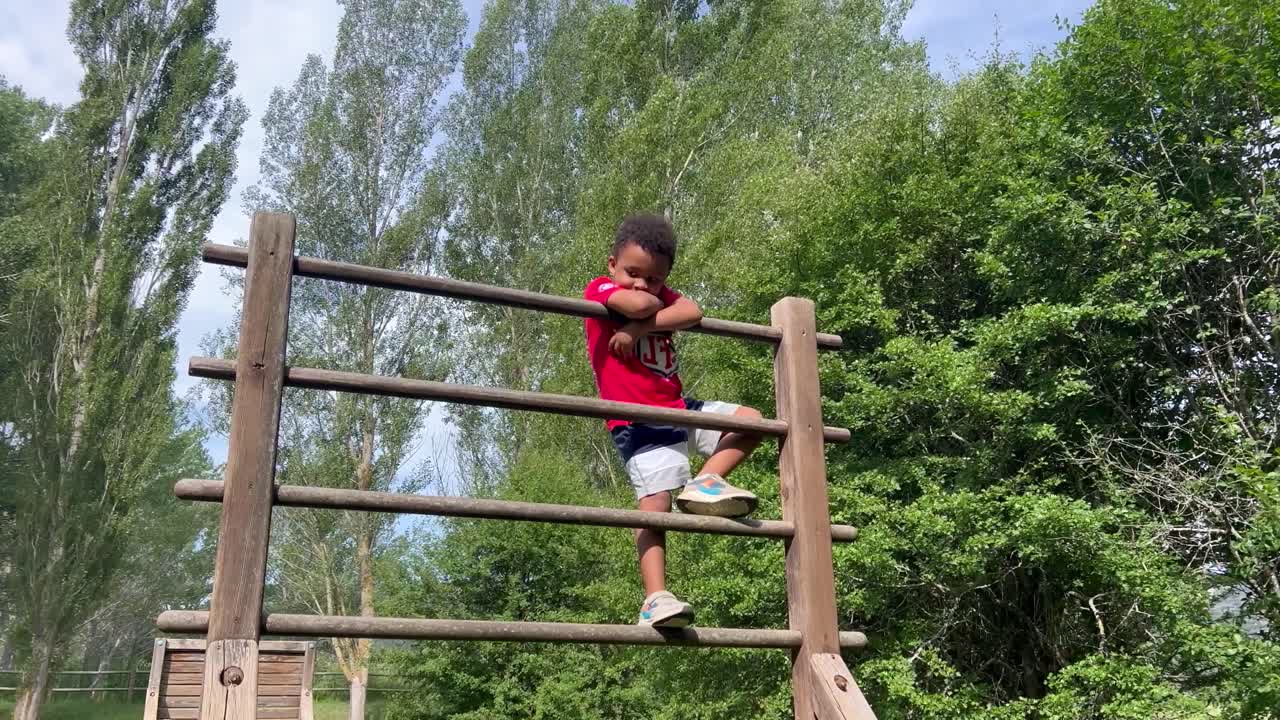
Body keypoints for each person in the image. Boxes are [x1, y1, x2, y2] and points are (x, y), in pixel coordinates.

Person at [583, 213, 764, 628]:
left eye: (656, 278)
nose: (643, 284)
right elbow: (640, 302)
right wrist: (643, 312)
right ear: (611, 265)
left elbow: (693, 310)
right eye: (633, 273)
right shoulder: (600, 290)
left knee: (752, 420)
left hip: (678, 408)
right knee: (657, 502)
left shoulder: (652, 294)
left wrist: (636, 330)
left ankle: (705, 481)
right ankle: (655, 598)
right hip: (637, 418)